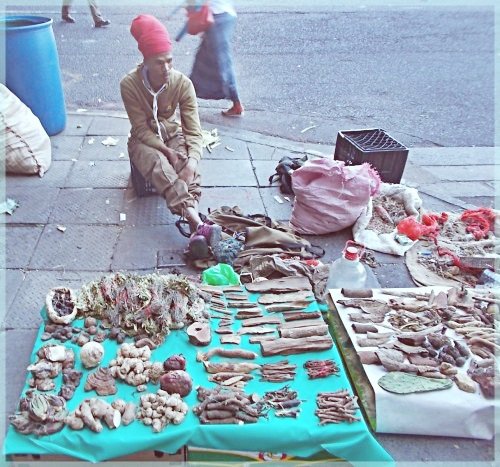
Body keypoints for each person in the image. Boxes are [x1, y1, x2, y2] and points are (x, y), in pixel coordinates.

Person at [120, 14, 220, 258]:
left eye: (170, 61)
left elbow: (193, 130)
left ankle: (196, 226)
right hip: (144, 141)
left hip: (172, 134)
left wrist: (191, 162)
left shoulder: (182, 84)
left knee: (186, 161)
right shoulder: (129, 85)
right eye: (159, 63)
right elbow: (141, 129)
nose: (166, 68)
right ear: (145, 61)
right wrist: (166, 152)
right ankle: (197, 223)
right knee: (159, 164)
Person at [190, 0, 243, 117]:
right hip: (221, 15)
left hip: (217, 17)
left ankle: (237, 103)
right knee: (203, 61)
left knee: (221, 63)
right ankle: (183, 99)